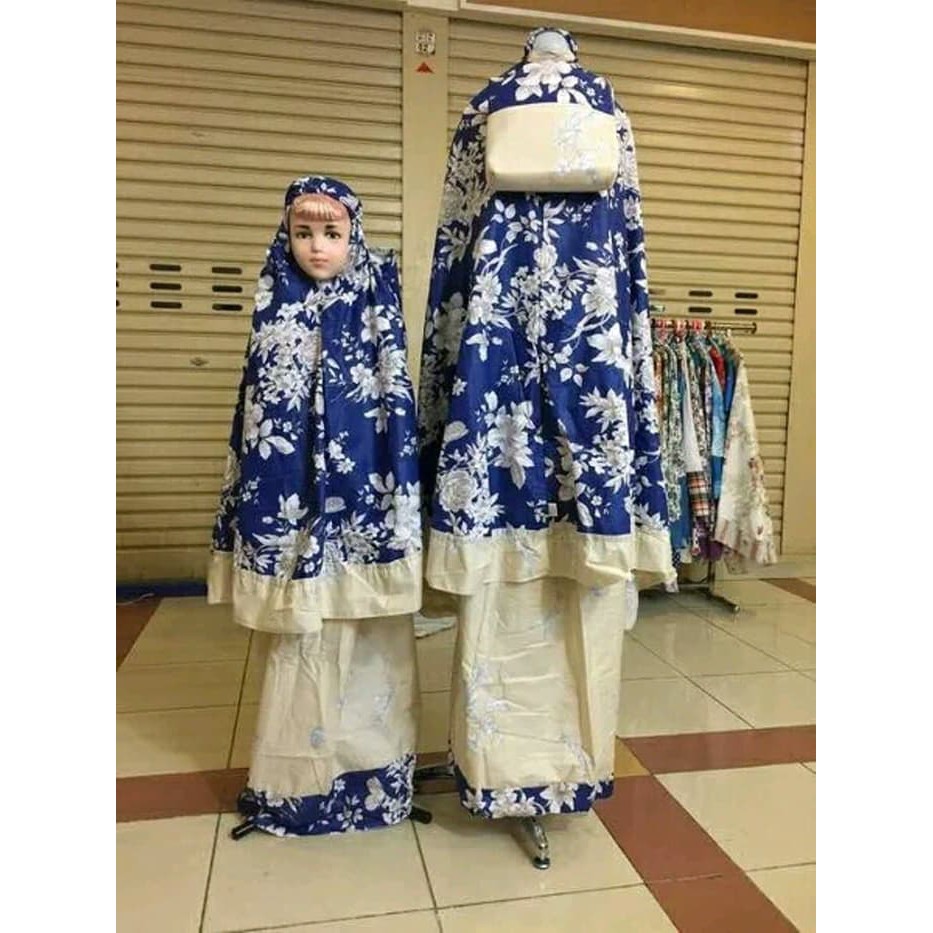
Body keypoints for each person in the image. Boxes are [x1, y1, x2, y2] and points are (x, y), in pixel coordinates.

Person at [417, 28, 674, 818]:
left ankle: (493, 764)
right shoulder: (609, 108)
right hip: (592, 363)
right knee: (581, 590)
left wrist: (442, 389)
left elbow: (455, 256)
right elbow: (628, 260)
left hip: (491, 370)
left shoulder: (482, 105)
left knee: (498, 585)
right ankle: (568, 765)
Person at [208, 175, 422, 836]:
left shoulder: (376, 303)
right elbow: (256, 415)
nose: (317, 246)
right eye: (303, 232)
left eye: (332, 232)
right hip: (291, 501)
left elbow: (394, 407)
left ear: (354, 234)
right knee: (299, 641)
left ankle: (378, 786)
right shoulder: (273, 305)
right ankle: (291, 790)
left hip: (365, 498)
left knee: (370, 638)